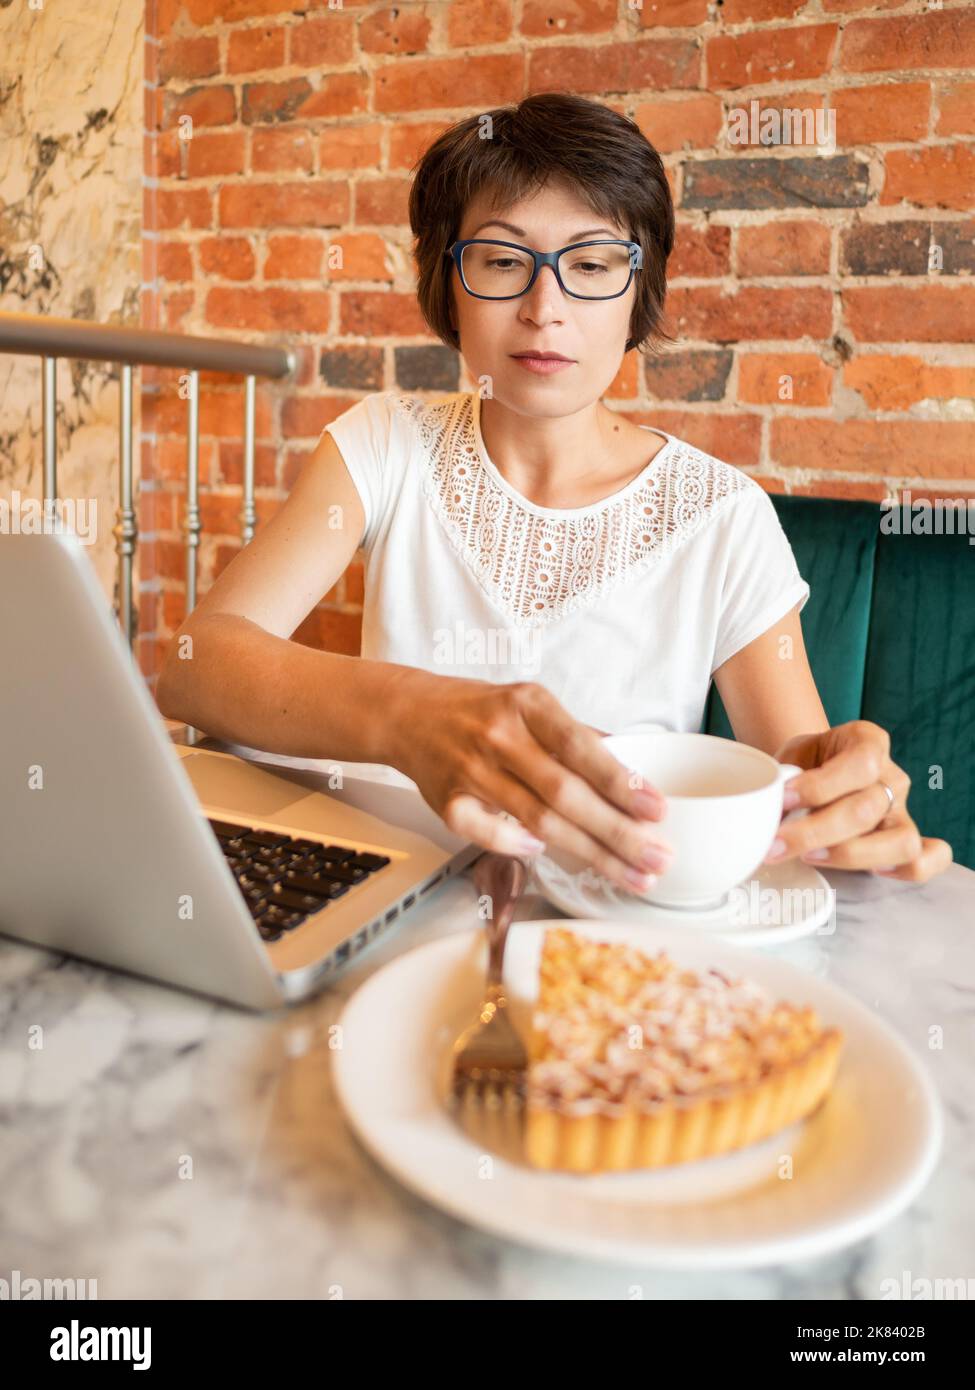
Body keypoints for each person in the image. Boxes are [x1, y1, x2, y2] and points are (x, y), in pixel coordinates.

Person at [156, 93, 951, 893]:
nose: (545, 310)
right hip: (392, 906)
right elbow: (197, 664)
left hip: (616, 938)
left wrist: (845, 800)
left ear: (639, 288)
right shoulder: (384, 442)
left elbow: (797, 784)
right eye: (503, 261)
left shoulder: (722, 517)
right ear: (449, 283)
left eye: (592, 264)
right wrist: (410, 715)